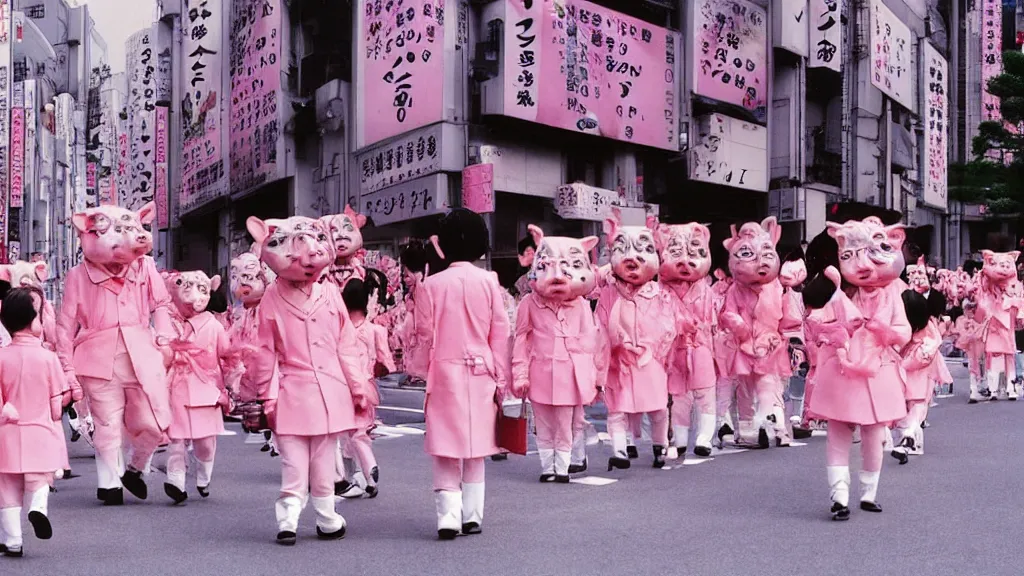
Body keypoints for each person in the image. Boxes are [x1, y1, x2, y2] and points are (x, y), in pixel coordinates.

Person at [246, 215, 370, 546]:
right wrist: (267, 395)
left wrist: (267, 395)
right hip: (309, 391)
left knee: (304, 461)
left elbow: (266, 353)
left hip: (301, 393)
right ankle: (324, 519)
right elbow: (267, 352)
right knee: (313, 460)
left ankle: (291, 520)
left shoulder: (324, 293)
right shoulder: (283, 297)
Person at [408, 208, 511, 540]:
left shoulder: (432, 285)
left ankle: (448, 517)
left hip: (444, 371)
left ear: (444, 245)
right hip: (481, 371)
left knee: (445, 447)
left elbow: (424, 334)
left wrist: (420, 371)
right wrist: (500, 375)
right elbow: (500, 331)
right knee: (476, 448)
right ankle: (473, 516)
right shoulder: (489, 281)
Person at [0, 287, 68, 557]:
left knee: (7, 487)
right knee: (40, 478)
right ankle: (38, 508)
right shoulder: (48, 358)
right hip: (40, 429)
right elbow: (56, 404)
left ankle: (13, 540)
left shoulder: (1, 357)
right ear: (35, 321)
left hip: (7, 431)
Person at [335, 278, 395, 499]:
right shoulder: (376, 330)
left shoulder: (339, 330)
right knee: (360, 431)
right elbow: (387, 363)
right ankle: (366, 477)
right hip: (368, 385)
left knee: (348, 434)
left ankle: (360, 474)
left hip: (345, 386)